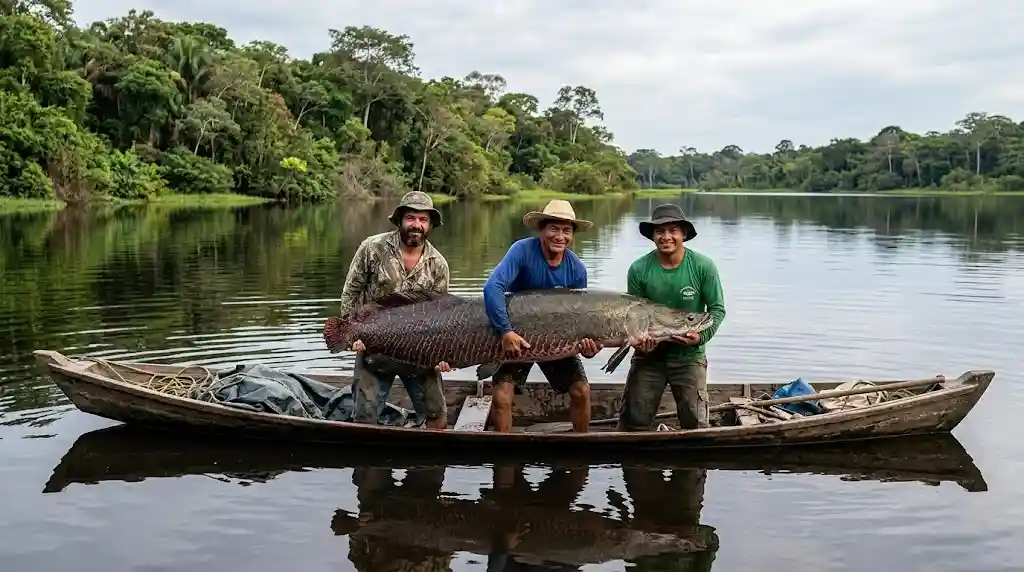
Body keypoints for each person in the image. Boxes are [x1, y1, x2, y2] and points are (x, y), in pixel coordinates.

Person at [482, 199, 602, 433]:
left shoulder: (577, 270)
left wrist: (588, 348)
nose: (560, 236)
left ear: (572, 235)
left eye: (566, 231)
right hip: (517, 336)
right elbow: (492, 287)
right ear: (542, 230)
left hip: (557, 340)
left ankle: (580, 452)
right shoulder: (522, 250)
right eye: (554, 229)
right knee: (502, 396)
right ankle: (505, 457)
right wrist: (506, 331)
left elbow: (581, 319)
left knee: (582, 391)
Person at [339, 191, 452, 430]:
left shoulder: (438, 264)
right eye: (411, 218)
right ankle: (369, 464)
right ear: (400, 220)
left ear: (430, 225)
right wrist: (351, 333)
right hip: (375, 344)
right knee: (364, 419)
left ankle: (427, 466)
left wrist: (443, 353)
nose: (416, 225)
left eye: (423, 220)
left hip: (419, 350)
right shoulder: (372, 248)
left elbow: (441, 316)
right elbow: (351, 292)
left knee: (437, 415)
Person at [617, 204, 726, 431]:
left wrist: (701, 336)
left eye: (673, 230)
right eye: (660, 231)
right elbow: (633, 316)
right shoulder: (639, 269)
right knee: (632, 425)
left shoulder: (703, 267)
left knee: (696, 426)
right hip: (649, 358)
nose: (666, 237)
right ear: (653, 236)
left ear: (683, 234)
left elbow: (716, 310)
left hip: (689, 357)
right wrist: (641, 345)